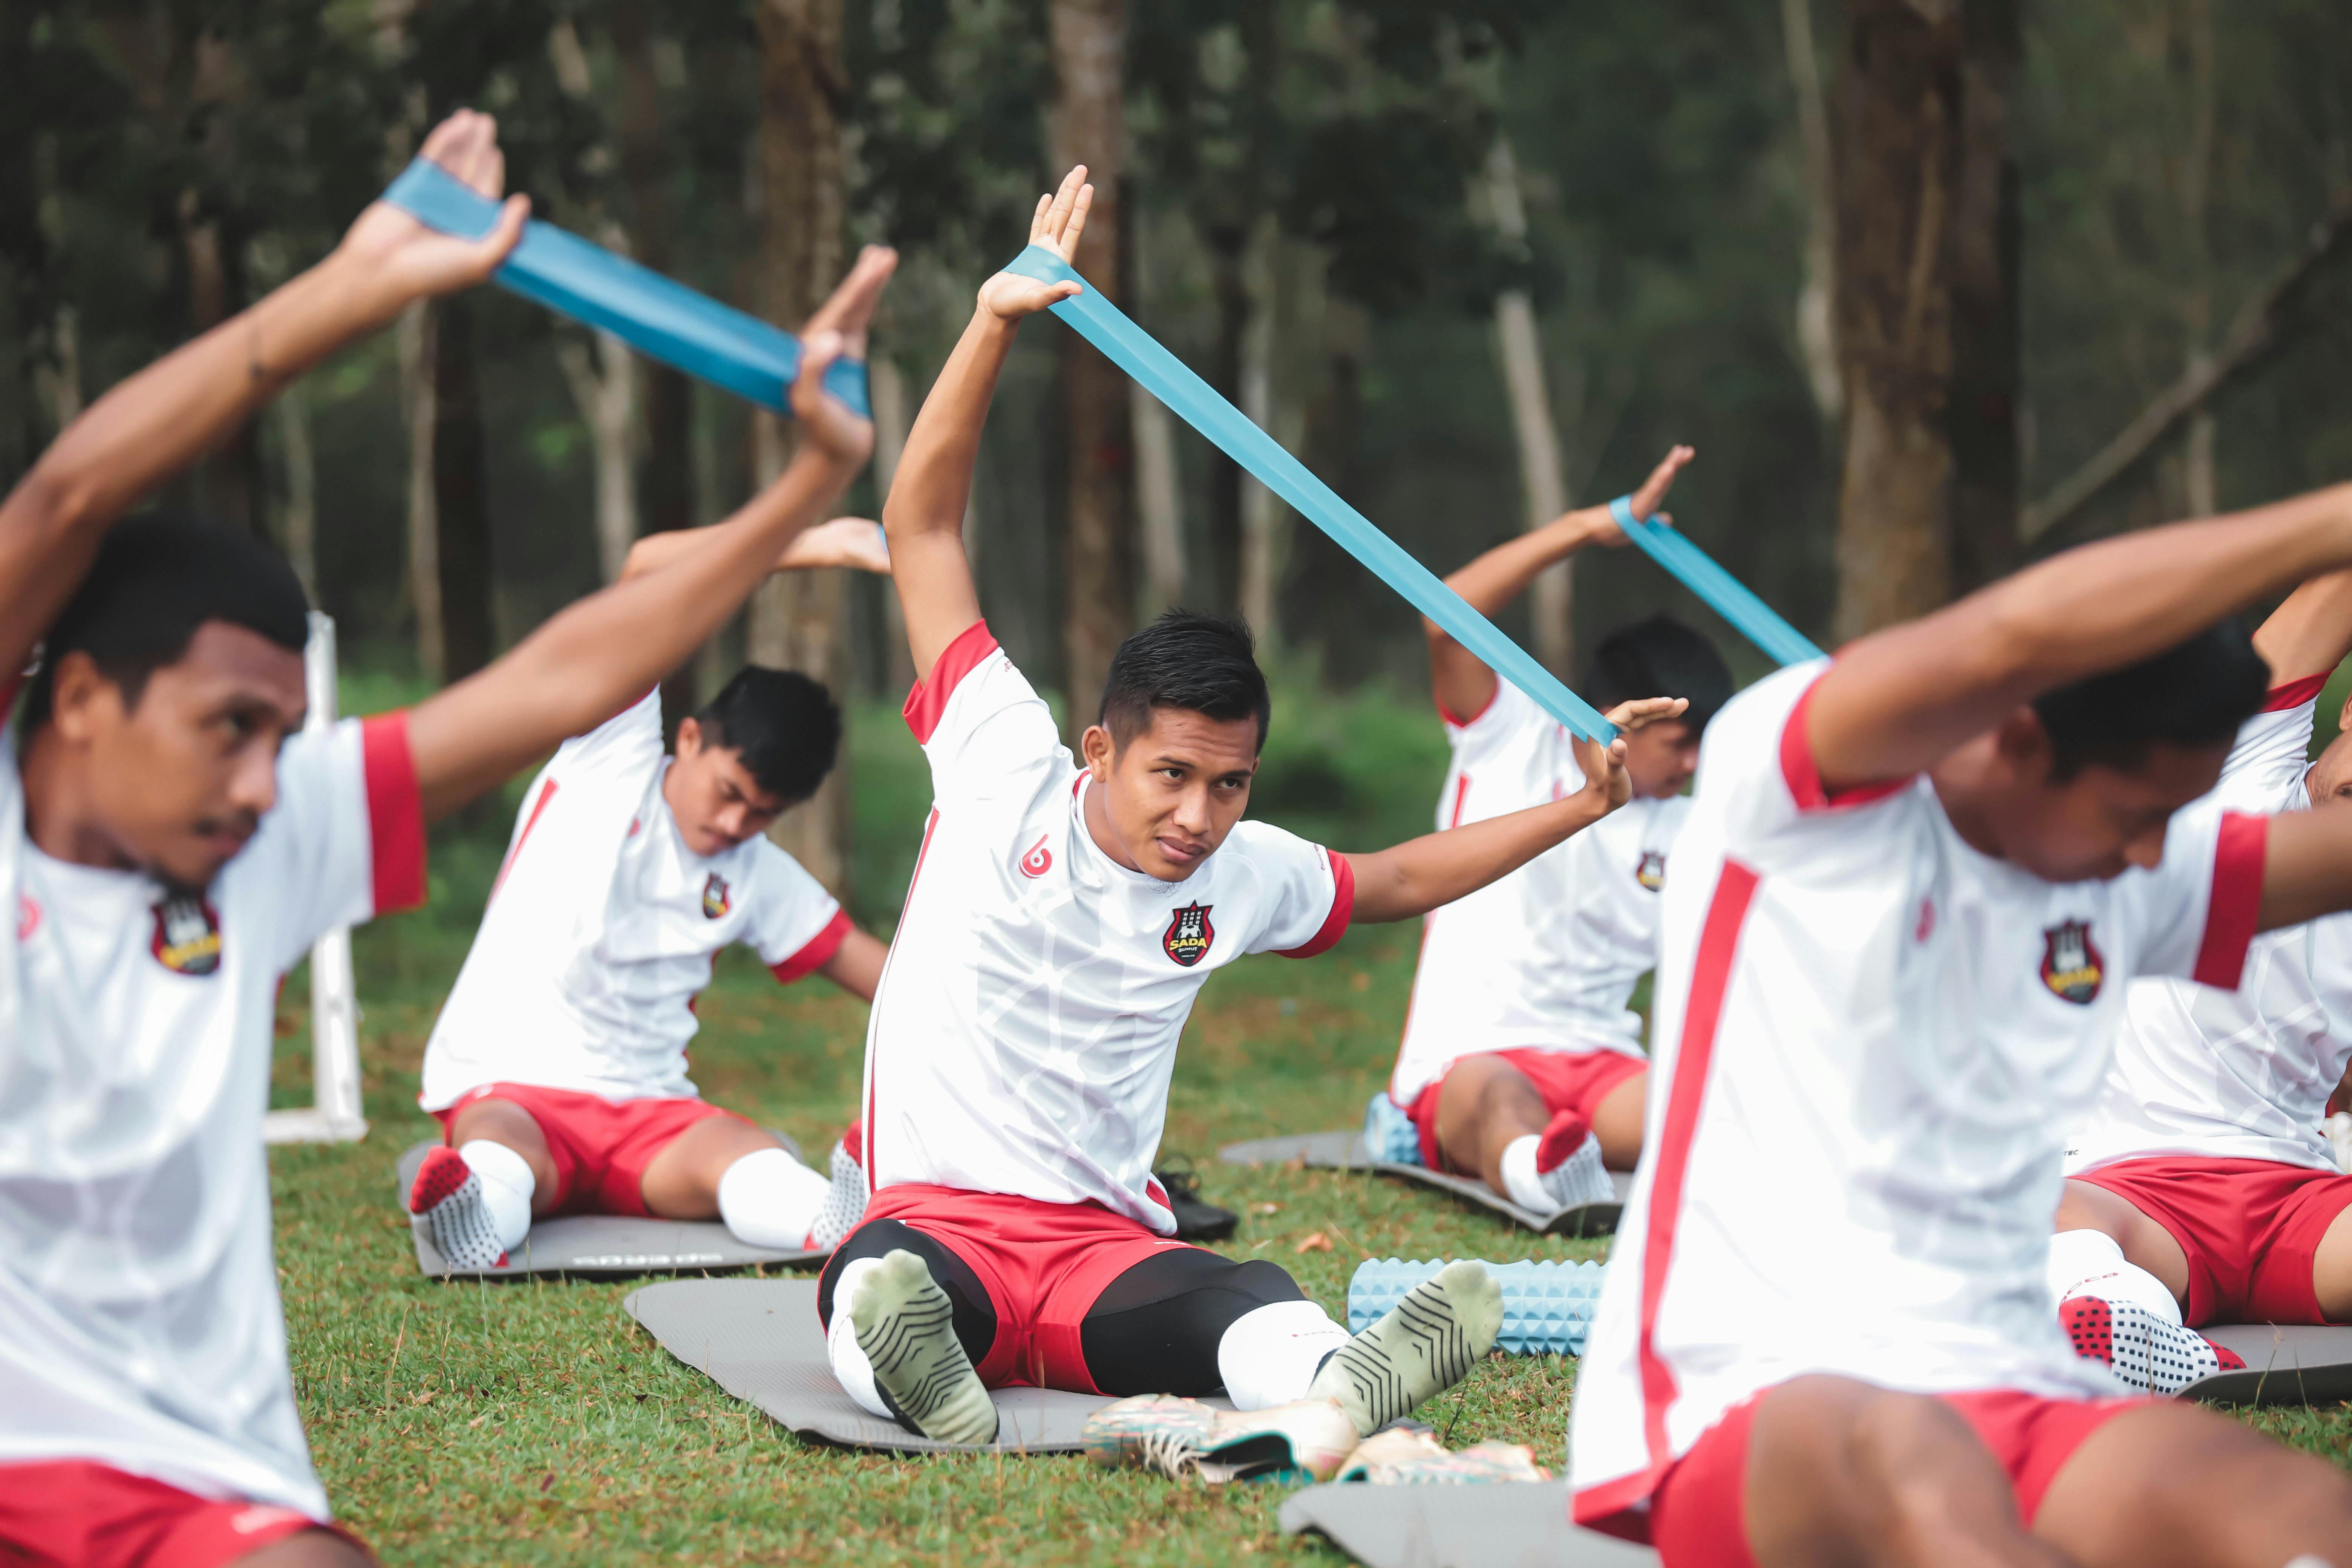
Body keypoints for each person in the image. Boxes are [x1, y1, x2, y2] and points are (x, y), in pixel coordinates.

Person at [0, 110, 893, 1566]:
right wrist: (359, 283)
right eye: (228, 728)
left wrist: (808, 480)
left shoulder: (270, 840)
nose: (263, 781)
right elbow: (67, 497)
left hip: (193, 1484)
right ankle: (477, 1199)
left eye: (284, 739)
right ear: (84, 700)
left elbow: (547, 676)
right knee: (508, 1155)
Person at [819, 167, 1687, 1447]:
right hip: (936, 1222)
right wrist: (993, 323)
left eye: (1230, 785)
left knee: (1246, 1297)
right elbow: (924, 525)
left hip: (1100, 1250)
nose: (1200, 816)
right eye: (1172, 776)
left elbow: (1398, 879)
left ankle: (1336, 1375)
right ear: (1101, 750)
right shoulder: (1000, 760)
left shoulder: (1238, 872)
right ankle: (917, 1370)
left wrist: (1582, 807)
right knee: (877, 1289)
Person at [1568, 477, 2352, 1567]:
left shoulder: (2111, 868)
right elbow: (2015, 633)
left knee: (2290, 1509)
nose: (2155, 854)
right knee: (1919, 1465)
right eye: (2138, 815)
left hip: (2013, 1385)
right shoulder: (1797, 800)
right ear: (2019, 739)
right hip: (1758, 1402)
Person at [408, 518, 896, 1271]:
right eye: (729, 792)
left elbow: (891, 980)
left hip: (649, 1115)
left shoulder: (757, 870)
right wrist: (815, 545)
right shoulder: (611, 757)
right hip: (516, 1089)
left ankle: (827, 1219)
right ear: (691, 739)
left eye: (762, 814)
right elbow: (644, 569)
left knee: (743, 1150)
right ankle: (475, 1220)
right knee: (503, 1154)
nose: (733, 824)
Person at [1379, 446, 1733, 1218]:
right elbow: (1445, 616)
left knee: (1714, 1112)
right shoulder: (1511, 736)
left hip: (1605, 1069)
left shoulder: (1691, 824)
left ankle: (1568, 1159)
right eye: (1681, 741)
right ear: (1621, 717)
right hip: (1477, 1056)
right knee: (1501, 1101)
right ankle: (1543, 1177)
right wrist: (1592, 527)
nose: (1695, 763)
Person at [2051, 567, 2352, 1390]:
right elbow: (2336, 589)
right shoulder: (2242, 763)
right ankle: (2128, 1323)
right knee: (2041, 1219)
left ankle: (2125, 1320)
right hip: (2133, 1186)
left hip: (2300, 1203)